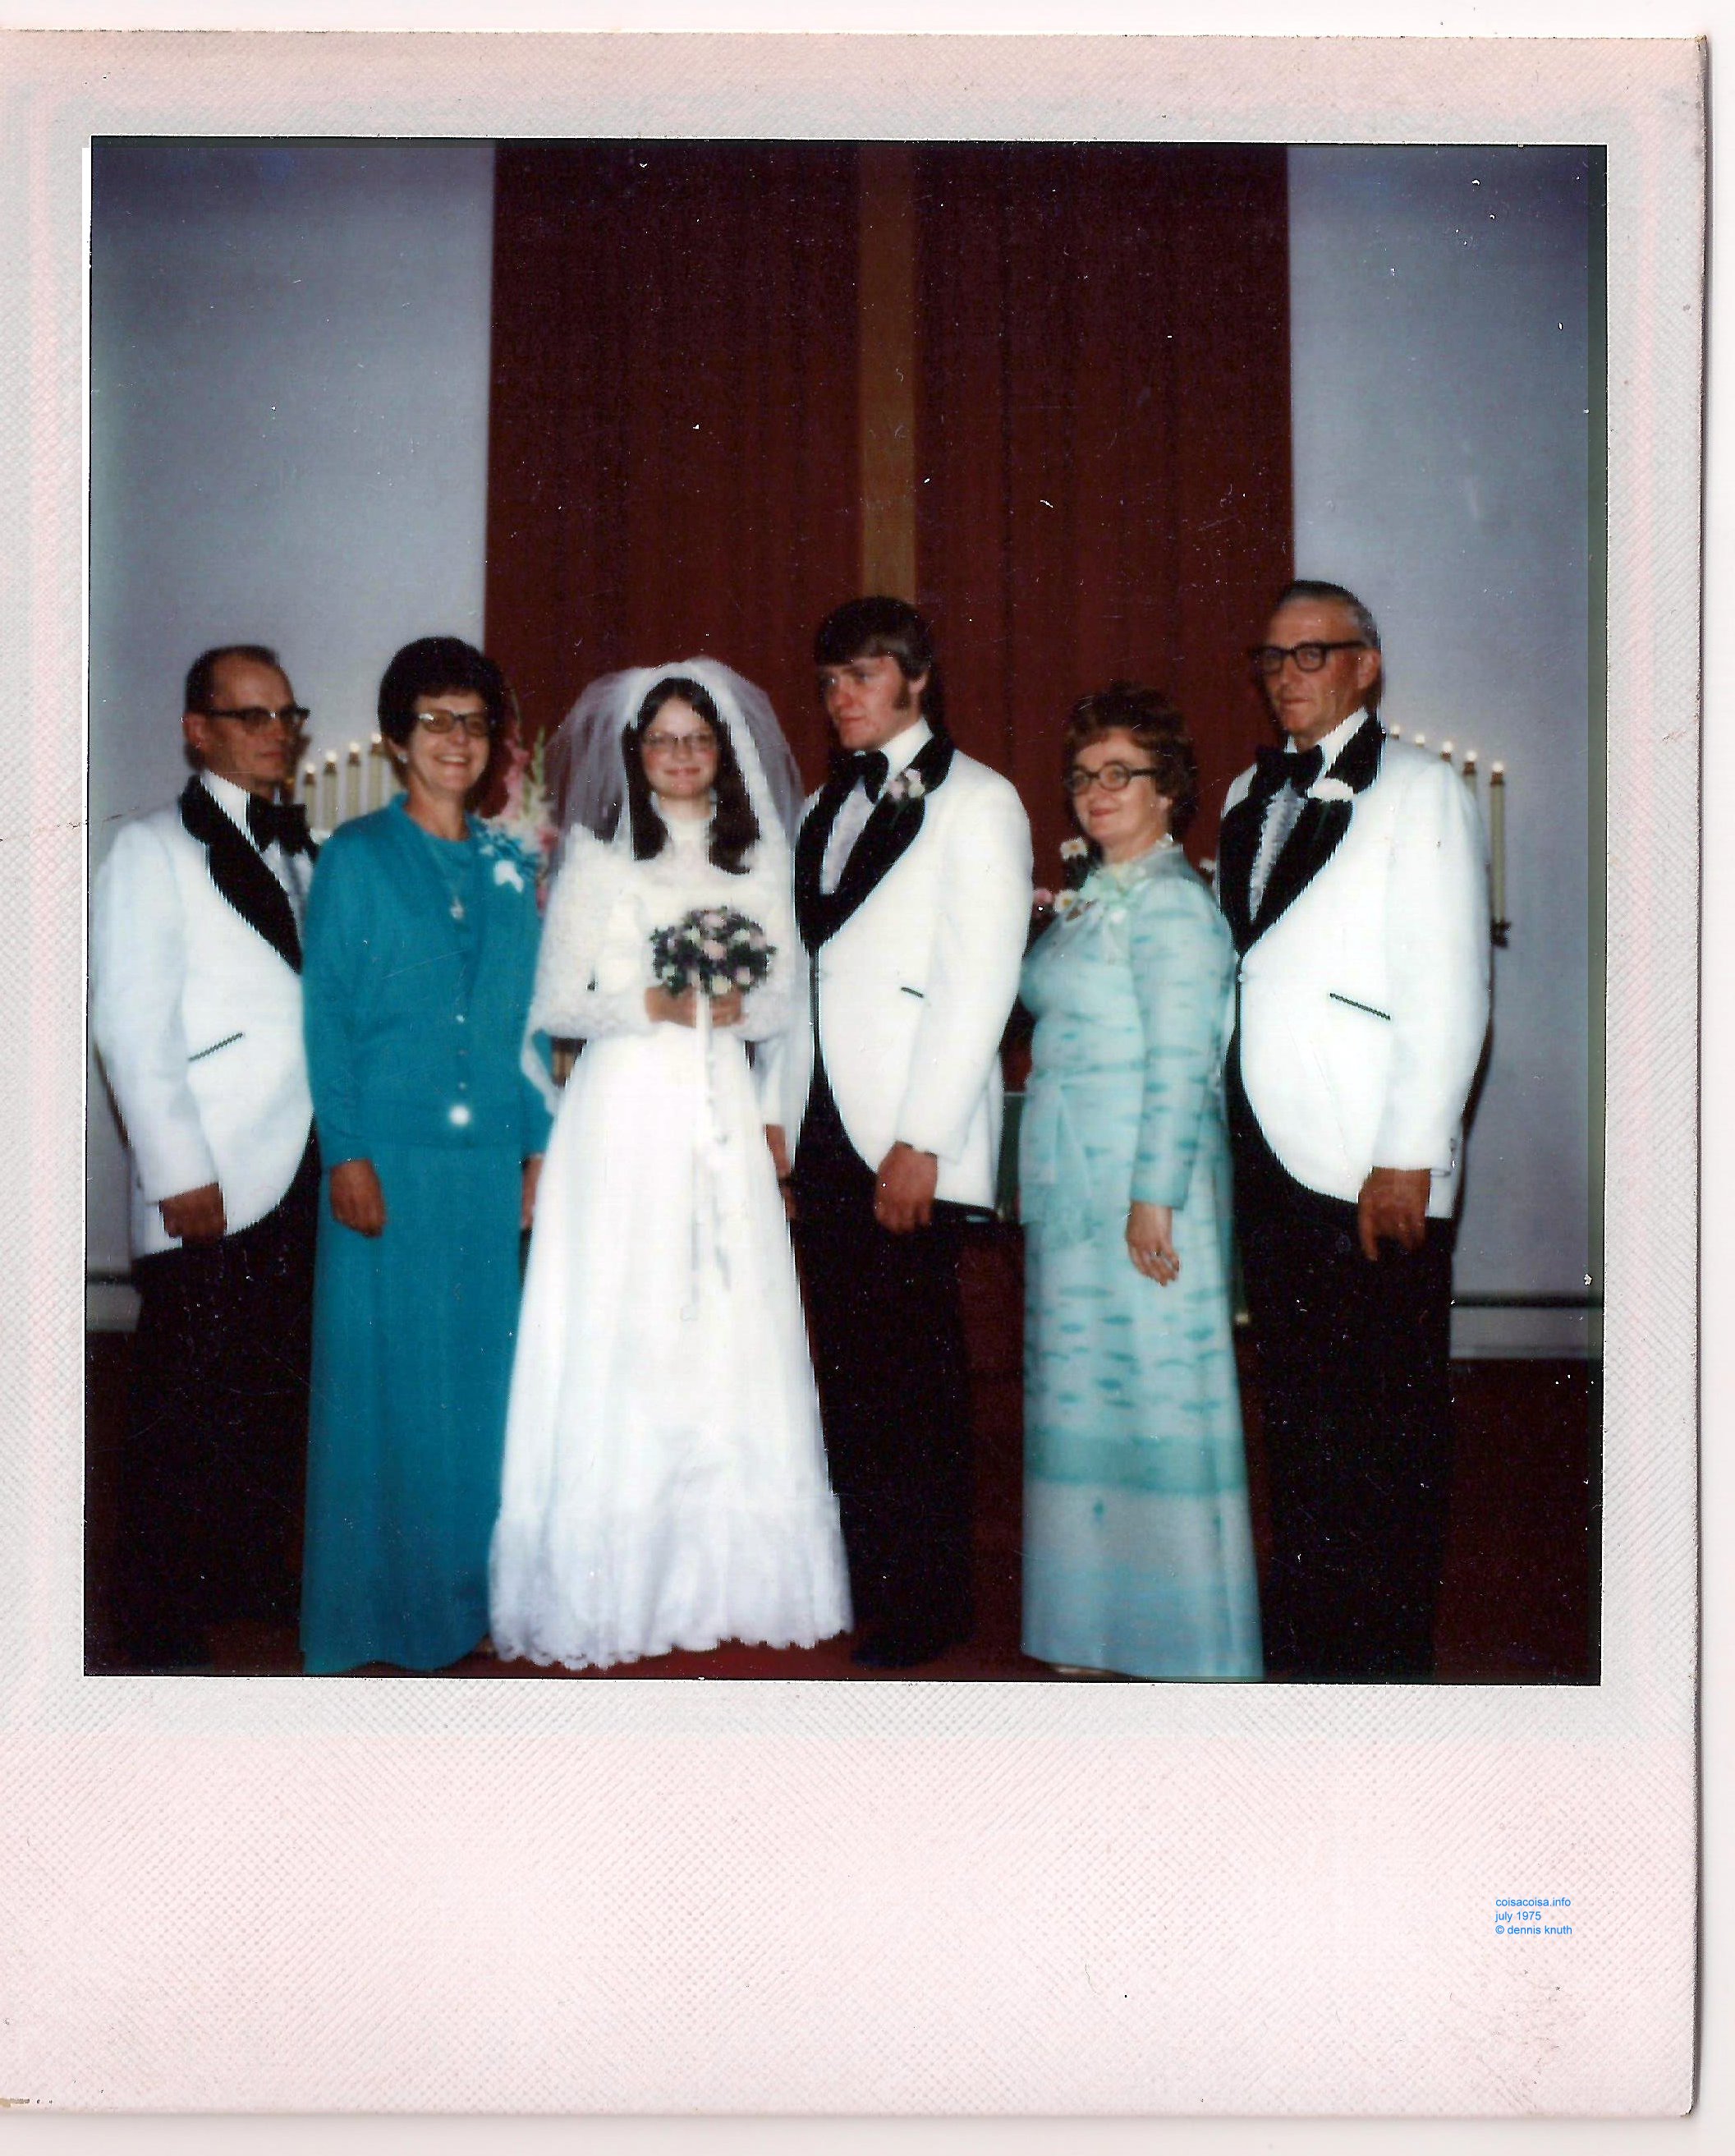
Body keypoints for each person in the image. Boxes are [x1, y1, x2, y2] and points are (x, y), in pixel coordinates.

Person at [489, 660, 850, 1671]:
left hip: (720, 1100)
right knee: (632, 1311)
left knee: (726, 1313)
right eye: (663, 741)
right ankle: (618, 1577)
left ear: (722, 753)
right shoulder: (600, 860)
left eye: (697, 739)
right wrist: (647, 1002)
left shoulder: (758, 861)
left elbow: (784, 1001)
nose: (682, 756)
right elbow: (556, 1001)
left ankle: (731, 1573)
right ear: (636, 754)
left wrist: (741, 1005)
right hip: (625, 1105)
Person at [1217, 579, 1489, 1680]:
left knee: (1386, 1424)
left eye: (1312, 654)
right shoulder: (1246, 791)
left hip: (1368, 1156)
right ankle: (1309, 1645)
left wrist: (1408, 1156)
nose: (1288, 676)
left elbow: (1450, 988)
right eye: (1272, 657)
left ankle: (1383, 1663)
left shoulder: (1421, 790)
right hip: (1267, 1146)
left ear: (1364, 666)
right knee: (1298, 1414)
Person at [760, 597, 1033, 1670]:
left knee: (915, 1377)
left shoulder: (981, 801)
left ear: (917, 680)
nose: (841, 698)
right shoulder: (818, 808)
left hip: (908, 1129)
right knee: (850, 1371)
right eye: (829, 681)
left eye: (863, 676)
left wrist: (923, 1139)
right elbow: (803, 972)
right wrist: (777, 1113)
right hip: (823, 1120)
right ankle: (872, 1582)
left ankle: (931, 1603)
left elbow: (977, 984)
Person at [298, 637, 553, 1676]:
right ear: (398, 739)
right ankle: (373, 1619)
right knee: (385, 1393)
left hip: (485, 1163)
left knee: (479, 1393)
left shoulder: (513, 865)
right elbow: (326, 1017)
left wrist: (538, 1147)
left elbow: (529, 1023)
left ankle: (465, 1604)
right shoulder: (356, 857)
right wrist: (346, 1152)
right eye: (436, 720)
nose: (458, 740)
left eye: (475, 722)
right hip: (388, 1163)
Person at [1019, 685, 1261, 1681]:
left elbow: (1184, 1064)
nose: (1097, 791)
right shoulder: (1091, 897)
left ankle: (1180, 1638)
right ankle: (1091, 1629)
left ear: (1169, 790)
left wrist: (1152, 1197)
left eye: (1121, 774)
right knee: (1087, 1400)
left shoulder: (1171, 904)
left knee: (1156, 1400)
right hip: (1076, 1186)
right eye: (1083, 775)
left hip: (1145, 1191)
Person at [91, 644, 319, 1671]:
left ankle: (243, 1579)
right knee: (179, 1403)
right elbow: (129, 1025)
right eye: (250, 715)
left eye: (285, 715)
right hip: (211, 1165)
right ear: (198, 730)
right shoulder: (151, 849)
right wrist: (176, 1167)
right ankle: (152, 1623)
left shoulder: (303, 850)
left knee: (268, 1389)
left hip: (298, 1156)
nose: (275, 733)